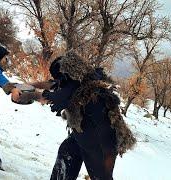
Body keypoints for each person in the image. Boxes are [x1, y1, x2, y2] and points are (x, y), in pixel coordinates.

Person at [30, 52, 136, 180]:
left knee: (101, 177)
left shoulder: (75, 85)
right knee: (66, 152)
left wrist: (27, 94)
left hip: (99, 143)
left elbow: (54, 97)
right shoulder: (82, 79)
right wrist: (33, 85)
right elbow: (54, 85)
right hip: (83, 135)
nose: (59, 82)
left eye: (59, 78)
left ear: (65, 73)